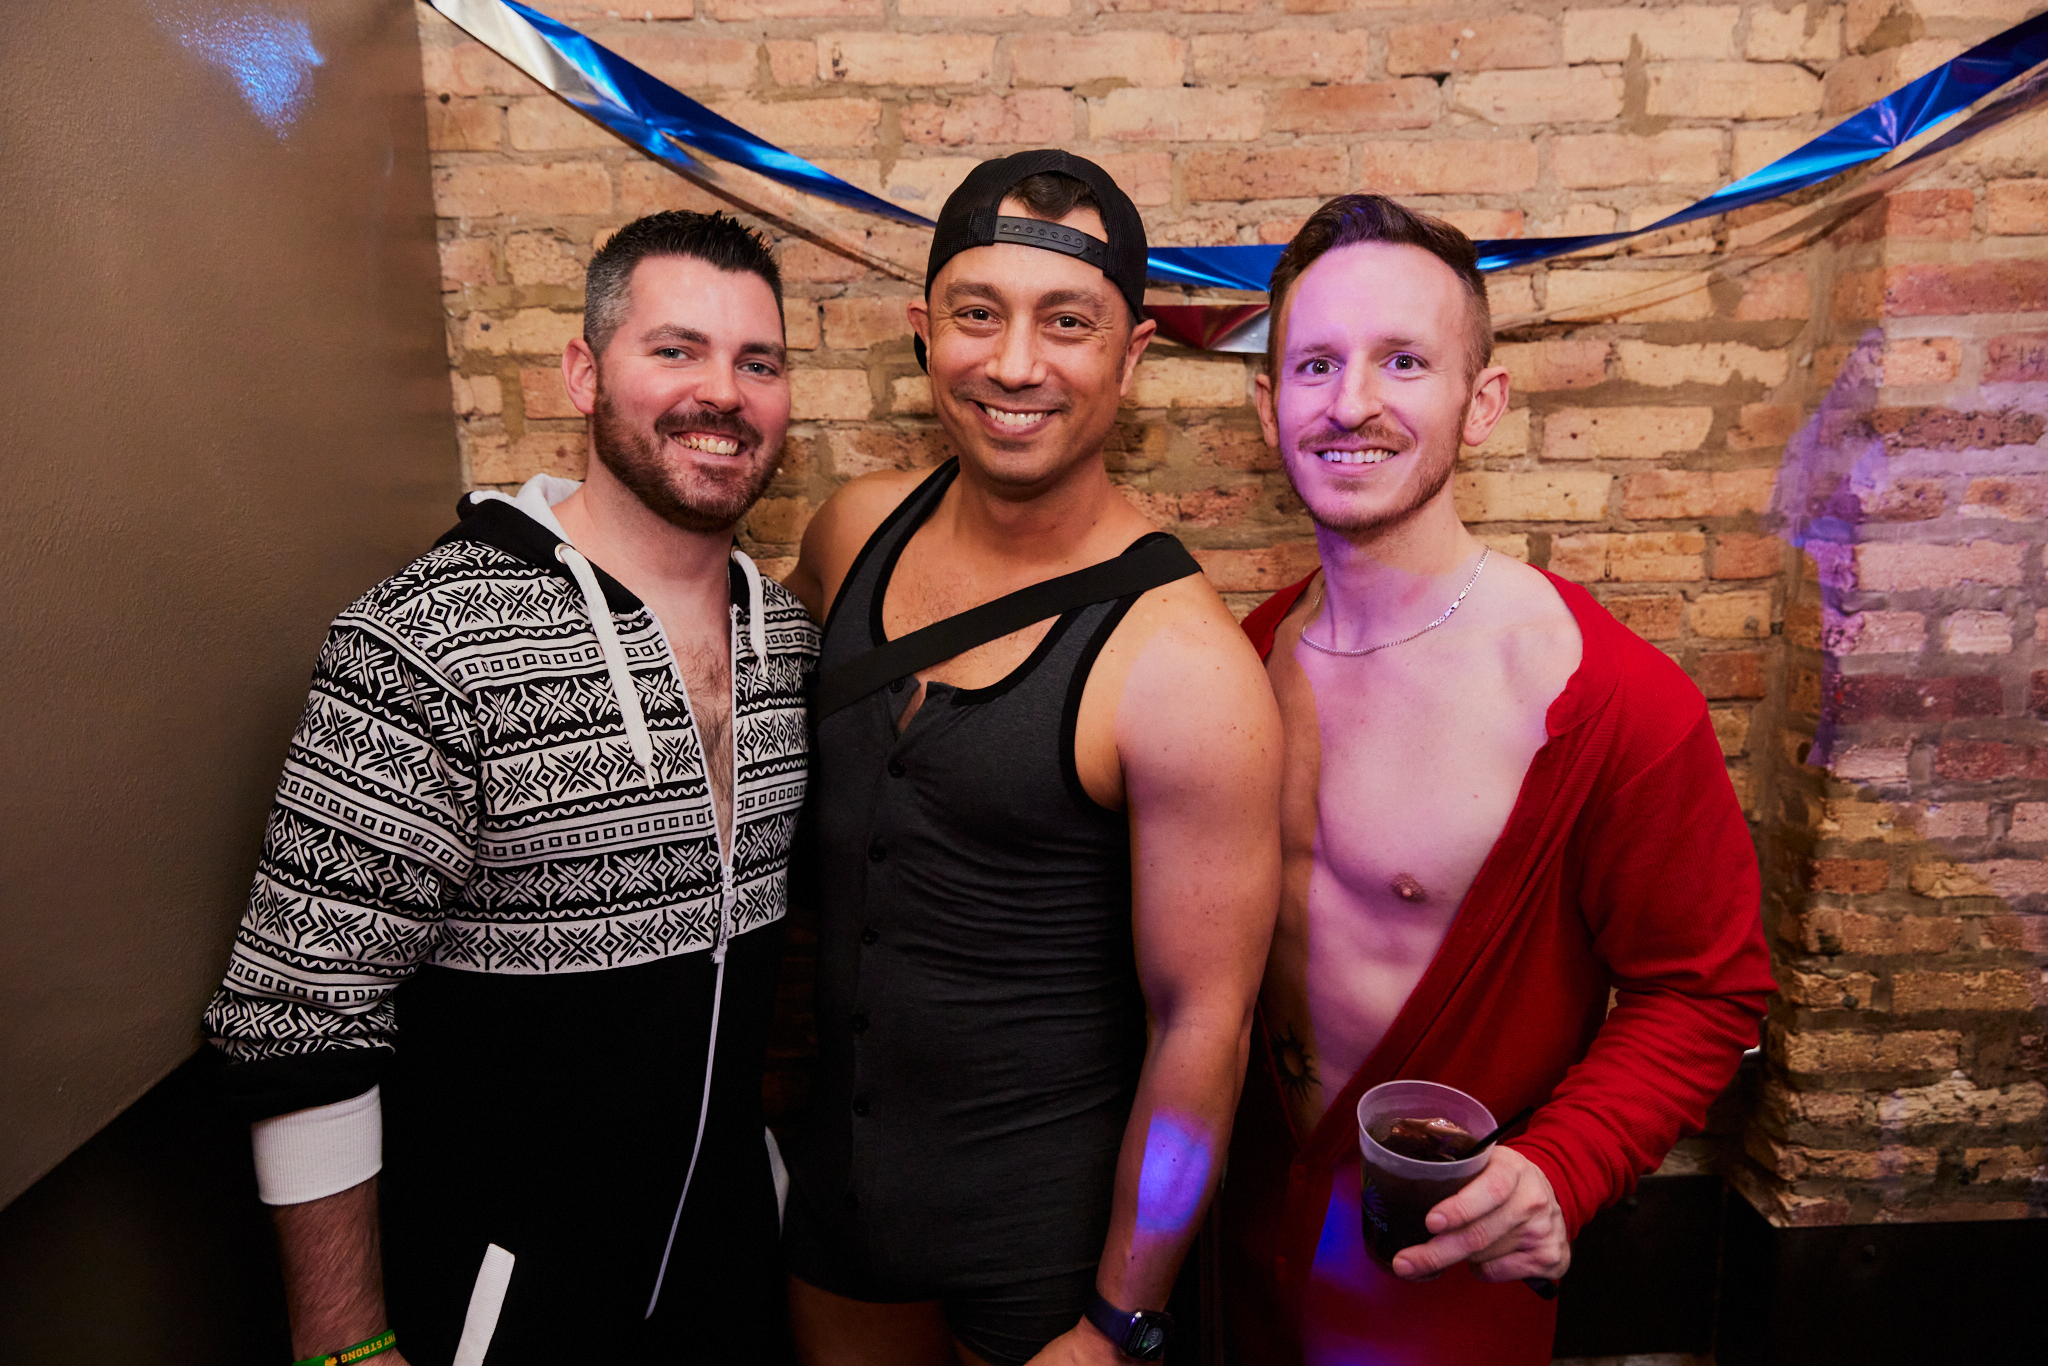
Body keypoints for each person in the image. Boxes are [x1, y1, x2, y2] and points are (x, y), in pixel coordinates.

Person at [202, 211, 818, 1365]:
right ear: (584, 373)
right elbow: (300, 1014)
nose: (721, 393)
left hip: (728, 1289)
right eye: (675, 350)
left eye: (758, 362)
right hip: (498, 1307)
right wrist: (342, 1342)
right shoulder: (424, 641)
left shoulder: (784, 642)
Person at [1220, 194, 1778, 1365]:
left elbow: (1706, 989)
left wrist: (1561, 1165)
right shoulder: (1234, 662)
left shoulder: (1607, 701)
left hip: (1440, 1275)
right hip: (1236, 1251)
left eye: (1403, 361)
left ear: (1481, 403)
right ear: (1267, 403)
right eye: (1314, 363)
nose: (1350, 402)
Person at [779, 150, 1282, 1366]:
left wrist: (1118, 1317)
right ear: (923, 330)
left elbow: (1203, 1029)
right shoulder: (850, 534)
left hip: (1045, 1255)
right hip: (837, 1208)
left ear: (1130, 356)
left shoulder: (1182, 665)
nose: (1013, 364)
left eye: (1066, 322)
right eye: (976, 314)